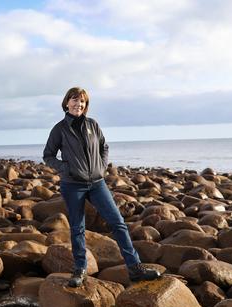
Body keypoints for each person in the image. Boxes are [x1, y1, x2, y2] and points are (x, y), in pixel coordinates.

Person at [43, 87, 161, 287]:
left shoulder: (92, 125)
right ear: (66, 103)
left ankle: (135, 268)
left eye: (82, 102)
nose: (78, 104)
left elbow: (104, 146)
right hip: (73, 185)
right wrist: (66, 169)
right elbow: (48, 155)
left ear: (85, 105)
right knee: (78, 229)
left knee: (118, 223)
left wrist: (102, 166)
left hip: (97, 183)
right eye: (74, 100)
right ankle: (80, 270)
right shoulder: (60, 129)